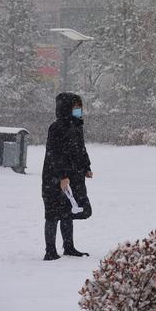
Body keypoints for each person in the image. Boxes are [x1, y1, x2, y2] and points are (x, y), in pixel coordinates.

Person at [41, 92, 93, 260]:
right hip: (55, 177)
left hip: (73, 176)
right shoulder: (56, 128)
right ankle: (50, 250)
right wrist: (62, 176)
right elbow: (54, 154)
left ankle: (68, 247)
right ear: (66, 108)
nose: (79, 110)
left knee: (68, 211)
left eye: (80, 107)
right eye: (75, 107)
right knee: (52, 213)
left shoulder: (77, 125)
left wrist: (86, 166)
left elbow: (81, 149)